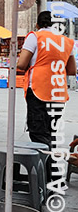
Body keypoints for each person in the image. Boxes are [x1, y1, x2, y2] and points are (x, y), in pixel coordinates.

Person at [17, 11, 76, 150]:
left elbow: (21, 64)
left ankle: (45, 169)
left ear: (37, 24)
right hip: (59, 93)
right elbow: (72, 70)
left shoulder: (35, 37)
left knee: (38, 133)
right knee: (52, 132)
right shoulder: (66, 41)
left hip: (39, 90)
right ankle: (53, 167)